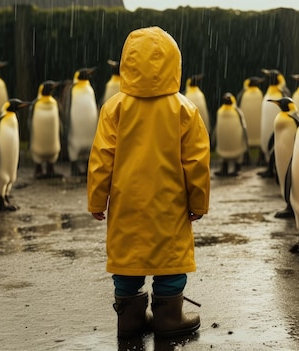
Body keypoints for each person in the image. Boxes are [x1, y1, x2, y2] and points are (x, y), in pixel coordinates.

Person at [87, 26, 211, 339]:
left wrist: (97, 200)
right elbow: (196, 163)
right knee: (170, 260)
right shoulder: (185, 109)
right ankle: (169, 318)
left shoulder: (114, 108)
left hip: (127, 202)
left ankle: (129, 319)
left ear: (127, 63)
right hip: (170, 204)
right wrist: (198, 203)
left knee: (128, 261)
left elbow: (101, 159)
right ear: (175, 64)